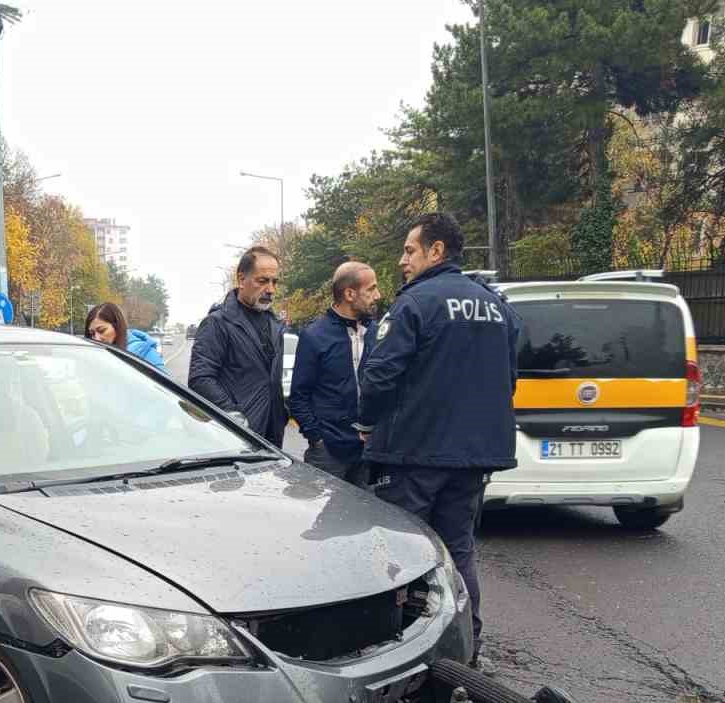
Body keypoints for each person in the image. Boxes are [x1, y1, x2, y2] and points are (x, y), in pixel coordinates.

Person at [357, 213, 518, 665]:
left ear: (436, 251)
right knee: (460, 551)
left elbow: (379, 377)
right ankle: (468, 647)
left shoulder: (415, 304)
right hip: (473, 457)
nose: (402, 260)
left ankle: (399, 652)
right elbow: (508, 376)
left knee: (402, 552)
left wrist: (366, 423)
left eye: (410, 250)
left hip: (413, 453)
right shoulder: (496, 306)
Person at [290, 261, 380, 483]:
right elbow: (299, 396)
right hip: (329, 454)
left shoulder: (377, 332)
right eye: (371, 289)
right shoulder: (314, 336)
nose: (377, 295)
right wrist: (316, 439)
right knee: (327, 517)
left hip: (370, 451)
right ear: (349, 293)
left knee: (371, 517)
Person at [188, 246, 287, 443]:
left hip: (272, 436)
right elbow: (200, 379)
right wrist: (235, 417)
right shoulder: (217, 323)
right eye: (263, 281)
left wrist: (283, 413)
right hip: (236, 437)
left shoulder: (274, 325)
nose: (271, 289)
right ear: (242, 280)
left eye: (274, 282)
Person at [85, 302, 165, 369]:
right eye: (92, 334)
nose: (96, 339)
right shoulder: (93, 355)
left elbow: (162, 386)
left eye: (102, 331)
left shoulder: (147, 354)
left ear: (117, 326)